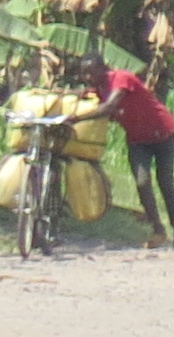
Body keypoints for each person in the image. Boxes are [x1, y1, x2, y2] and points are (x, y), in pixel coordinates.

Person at [74, 55, 174, 245]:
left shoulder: (121, 78)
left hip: (164, 134)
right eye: (83, 73)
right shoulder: (100, 89)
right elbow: (86, 94)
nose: (87, 76)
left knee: (165, 182)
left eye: (90, 71)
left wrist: (76, 118)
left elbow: (110, 106)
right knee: (142, 182)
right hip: (137, 140)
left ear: (103, 69)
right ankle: (157, 230)